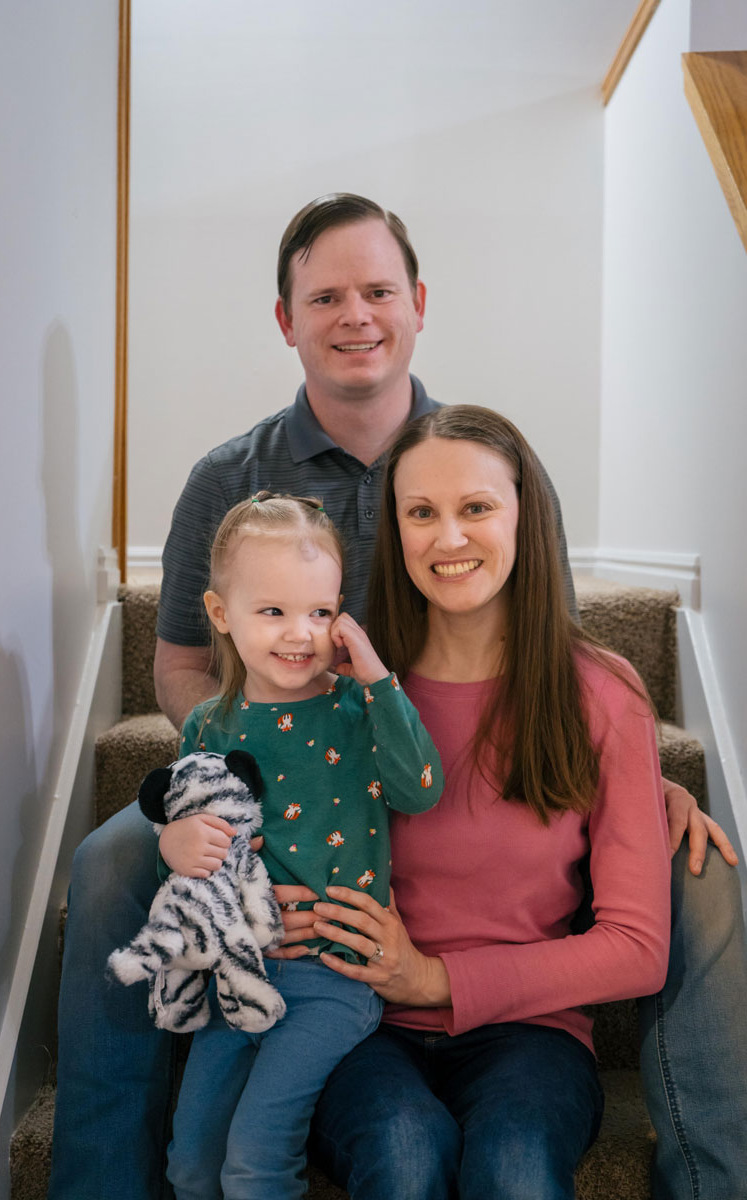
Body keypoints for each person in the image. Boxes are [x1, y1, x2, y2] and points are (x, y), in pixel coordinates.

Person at [49, 194, 747, 1200]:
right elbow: (179, 666)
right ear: (285, 319)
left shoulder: (474, 457)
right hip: (265, 769)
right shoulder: (228, 478)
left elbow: (549, 655)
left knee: (701, 869)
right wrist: (249, 807)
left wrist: (632, 778)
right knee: (115, 858)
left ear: (417, 304)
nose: (355, 315)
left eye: (377, 290)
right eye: (324, 297)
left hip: (395, 759)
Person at [270, 403, 671, 1198]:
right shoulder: (338, 688)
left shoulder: (603, 692)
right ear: (395, 530)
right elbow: (250, 817)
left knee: (514, 1164)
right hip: (353, 1017)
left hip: (532, 1032)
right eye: (421, 513)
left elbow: (637, 947)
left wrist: (438, 980)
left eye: (477, 507)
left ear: (525, 516)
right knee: (404, 1151)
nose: (448, 538)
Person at [156, 491, 442, 1199]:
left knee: (255, 1158)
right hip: (236, 978)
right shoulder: (207, 727)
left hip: (332, 982)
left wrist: (377, 679)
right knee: (190, 1163)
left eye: (318, 613)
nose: (299, 634)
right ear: (221, 613)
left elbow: (421, 789)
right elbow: (195, 866)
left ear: (341, 615)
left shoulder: (357, 710)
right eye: (272, 611)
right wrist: (172, 843)